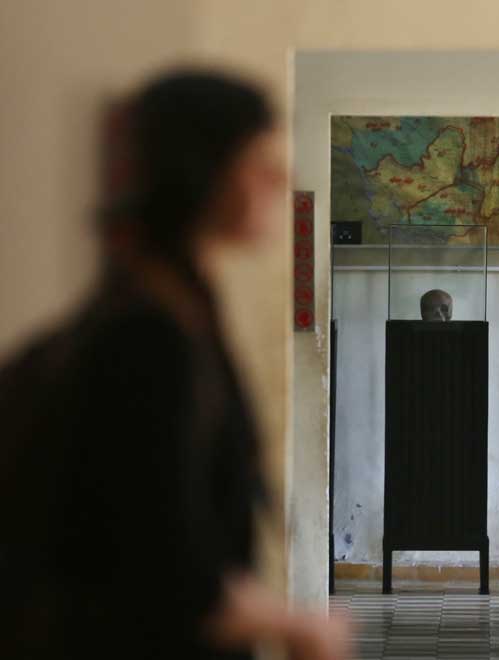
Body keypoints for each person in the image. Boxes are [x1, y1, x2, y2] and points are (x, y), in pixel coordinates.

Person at [0, 71, 348, 660]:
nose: (280, 179)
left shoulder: (168, 313)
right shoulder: (148, 340)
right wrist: (296, 628)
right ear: (205, 171)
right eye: (258, 159)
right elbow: (166, 570)